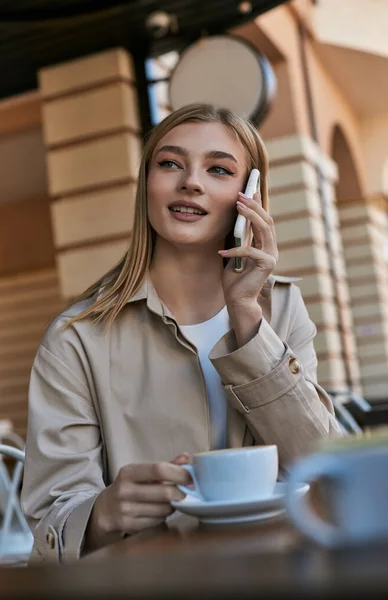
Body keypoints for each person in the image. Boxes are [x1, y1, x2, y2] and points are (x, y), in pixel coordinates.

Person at [21, 103, 341, 563]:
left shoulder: (281, 307)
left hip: (280, 570)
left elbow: (322, 465)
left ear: (248, 195)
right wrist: (104, 512)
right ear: (146, 186)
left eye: (218, 169)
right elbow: (51, 519)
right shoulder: (75, 339)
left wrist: (247, 316)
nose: (191, 181)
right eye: (170, 163)